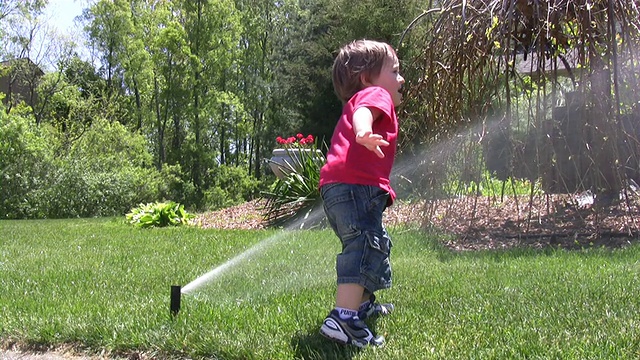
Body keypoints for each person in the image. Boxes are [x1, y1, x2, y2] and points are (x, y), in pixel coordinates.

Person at [318, 39, 405, 348]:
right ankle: (343, 319)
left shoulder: (362, 95)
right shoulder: (373, 94)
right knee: (364, 247)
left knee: (372, 245)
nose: (400, 79)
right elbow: (364, 113)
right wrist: (364, 132)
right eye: (394, 71)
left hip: (342, 189)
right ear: (368, 78)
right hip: (354, 188)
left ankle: (360, 305)